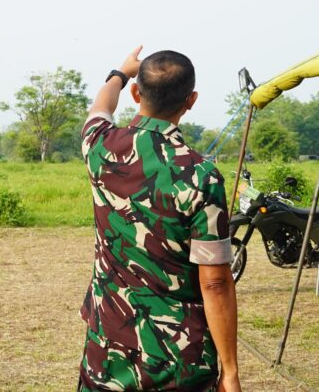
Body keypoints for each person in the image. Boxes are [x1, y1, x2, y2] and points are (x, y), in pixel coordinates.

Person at [78, 46, 241, 392]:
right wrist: (229, 370)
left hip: (108, 349)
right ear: (191, 100)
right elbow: (214, 282)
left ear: (137, 93)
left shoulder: (100, 146)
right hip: (178, 359)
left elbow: (101, 106)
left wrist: (121, 73)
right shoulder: (201, 176)